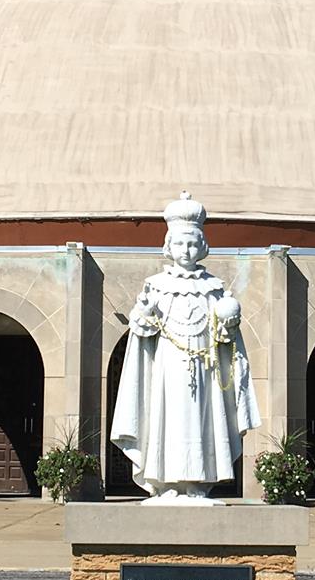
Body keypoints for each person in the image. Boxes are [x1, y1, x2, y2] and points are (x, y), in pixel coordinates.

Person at [110, 192, 260, 501]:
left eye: (193, 243)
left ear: (203, 246)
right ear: (168, 246)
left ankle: (198, 484)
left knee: (203, 422)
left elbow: (225, 338)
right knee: (167, 421)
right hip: (167, 370)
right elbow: (142, 329)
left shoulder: (214, 288)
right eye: (179, 243)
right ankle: (166, 483)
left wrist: (228, 326)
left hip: (205, 369)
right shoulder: (156, 285)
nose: (187, 250)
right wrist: (147, 311)